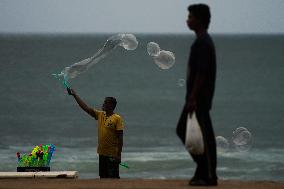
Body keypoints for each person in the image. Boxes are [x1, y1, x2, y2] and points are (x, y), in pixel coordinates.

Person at [176, 4, 218, 186]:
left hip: (199, 98)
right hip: (196, 97)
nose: (187, 19)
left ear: (199, 20)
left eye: (191, 17)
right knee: (184, 130)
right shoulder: (202, 40)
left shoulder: (202, 42)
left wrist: (192, 97)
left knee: (205, 136)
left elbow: (201, 73)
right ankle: (202, 170)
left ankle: (209, 175)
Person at [67, 87, 124, 179]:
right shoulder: (100, 114)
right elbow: (86, 108)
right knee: (103, 178)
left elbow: (120, 138)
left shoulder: (117, 118)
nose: (103, 103)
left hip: (112, 155)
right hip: (102, 153)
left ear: (111, 105)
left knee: (113, 179)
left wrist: (118, 155)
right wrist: (75, 95)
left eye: (106, 102)